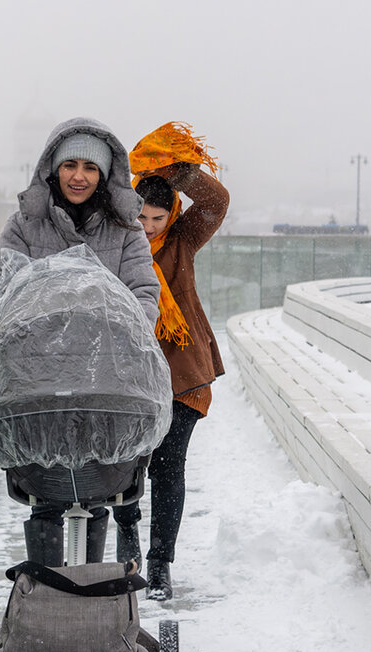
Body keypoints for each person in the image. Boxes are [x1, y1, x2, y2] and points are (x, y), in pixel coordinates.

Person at [0, 117, 160, 567]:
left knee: (97, 482)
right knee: (45, 491)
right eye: (70, 165)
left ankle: (88, 592)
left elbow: (144, 294)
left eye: (90, 166)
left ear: (105, 175)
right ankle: (49, 595)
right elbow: (7, 296)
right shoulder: (24, 227)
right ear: (53, 169)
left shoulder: (125, 231)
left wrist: (119, 330)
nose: (79, 176)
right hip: (40, 380)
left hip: (107, 377)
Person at [113, 122, 229, 600]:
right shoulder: (115, 247)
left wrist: (175, 169)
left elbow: (216, 203)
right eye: (142, 217)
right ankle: (127, 547)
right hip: (130, 376)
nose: (149, 228)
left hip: (183, 375)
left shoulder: (183, 241)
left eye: (159, 219)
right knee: (122, 464)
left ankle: (160, 565)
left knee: (168, 465)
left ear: (171, 216)